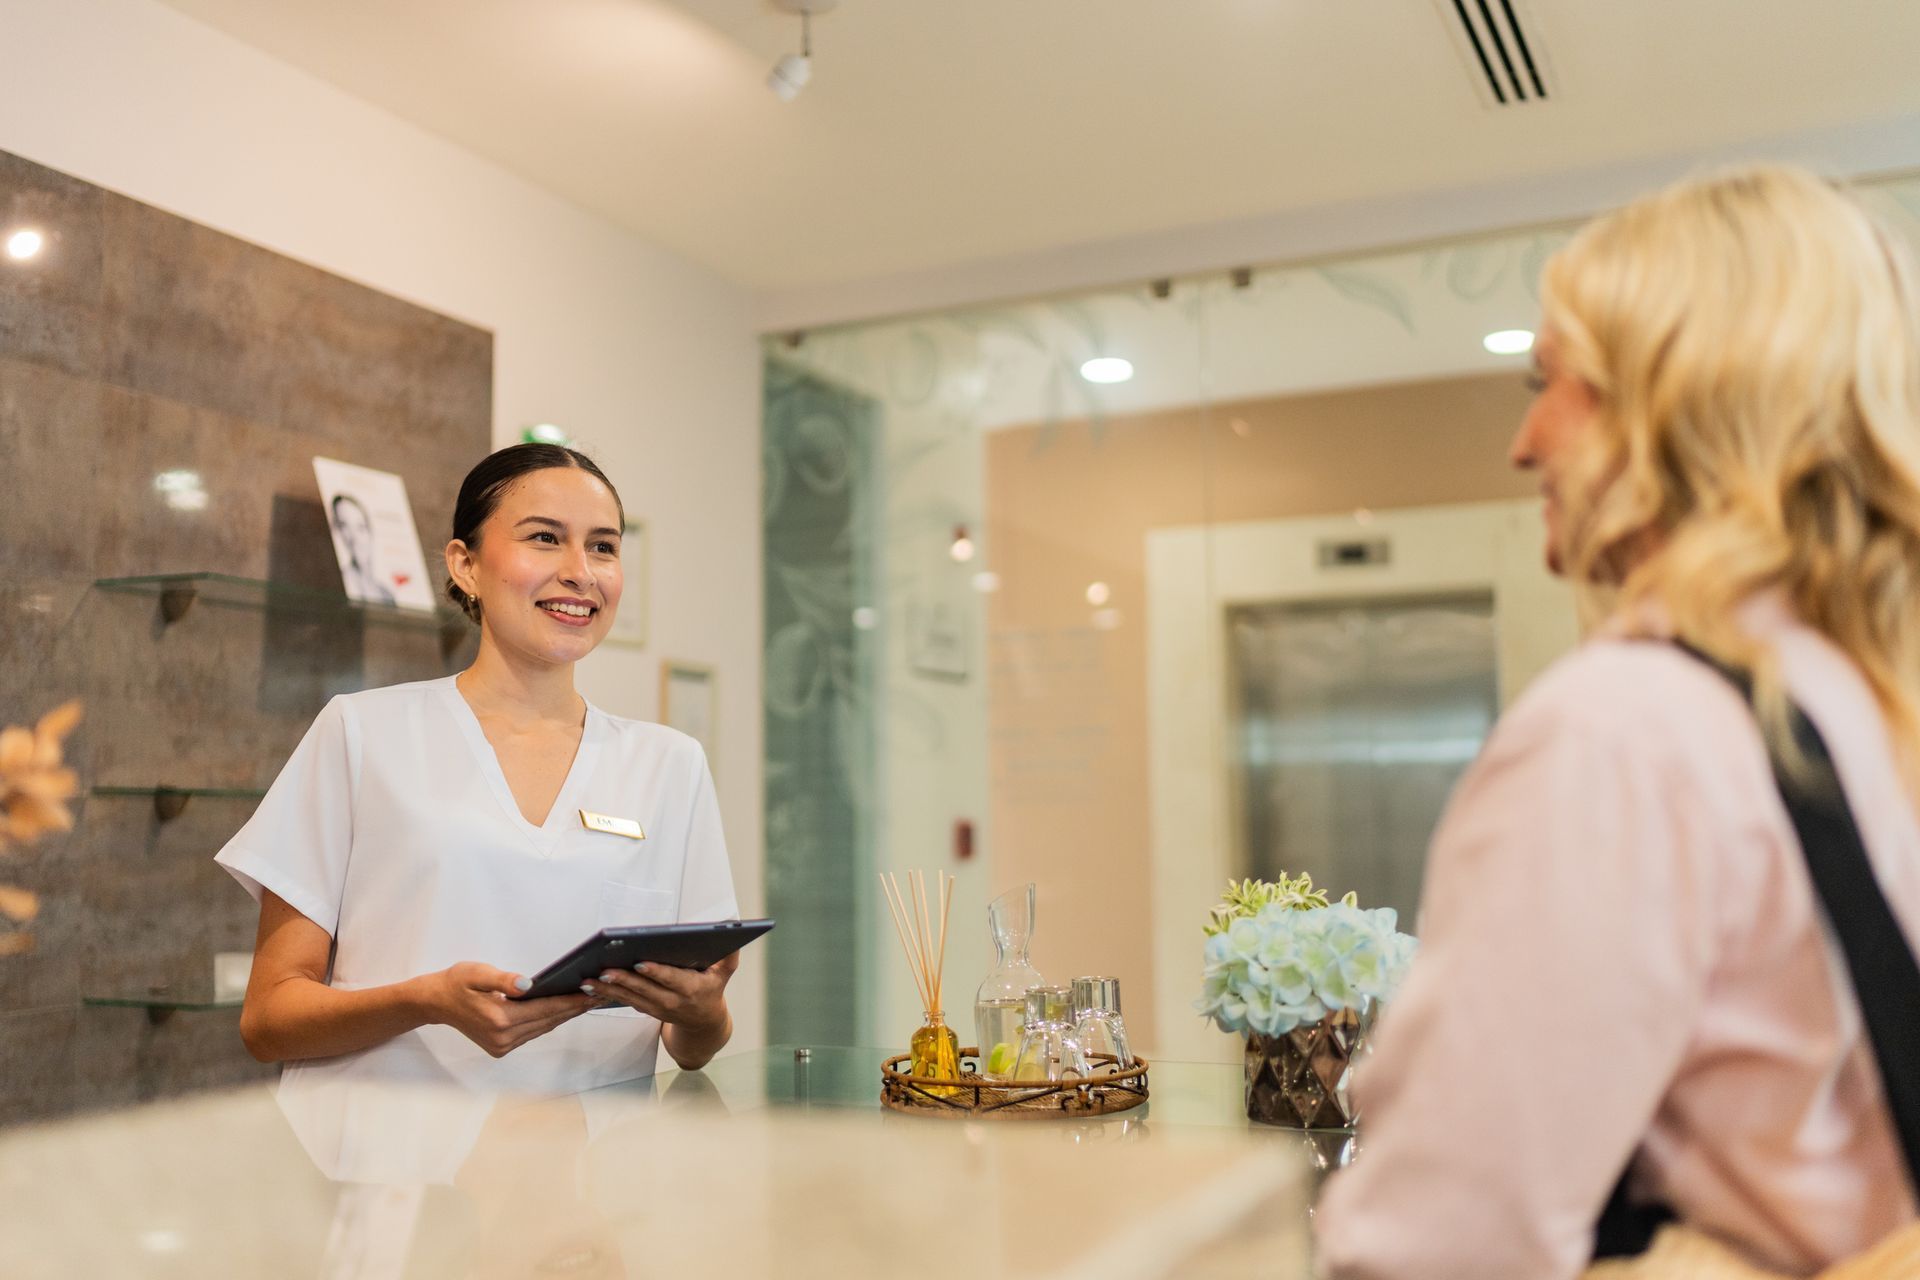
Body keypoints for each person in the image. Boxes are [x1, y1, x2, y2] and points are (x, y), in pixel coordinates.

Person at [1315, 165, 1920, 1277]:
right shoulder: (1868, 704)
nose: (1525, 440)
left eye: (1555, 380)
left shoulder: (1625, 734)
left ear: (1684, 399)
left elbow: (1441, 1248)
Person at [219, 443, 740, 1097]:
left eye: (603, 547)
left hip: (591, 1182)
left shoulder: (670, 766)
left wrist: (704, 1012)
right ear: (465, 565)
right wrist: (427, 1001)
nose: (581, 571)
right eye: (545, 538)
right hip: (390, 1173)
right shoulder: (361, 734)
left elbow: (692, 1046)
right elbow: (268, 1020)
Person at [328, 492, 397, 605]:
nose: (354, 537)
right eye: (344, 526)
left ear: (370, 532)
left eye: (360, 527)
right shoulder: (339, 582)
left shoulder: (386, 594)